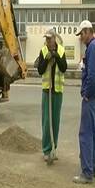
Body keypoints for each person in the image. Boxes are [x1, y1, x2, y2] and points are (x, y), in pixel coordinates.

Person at [73, 20, 95, 184]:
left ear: (87, 31)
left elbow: (92, 74)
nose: (80, 38)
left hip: (91, 97)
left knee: (85, 133)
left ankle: (87, 173)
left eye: (81, 34)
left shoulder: (92, 48)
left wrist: (86, 93)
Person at [37, 29, 67, 162]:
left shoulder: (61, 51)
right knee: (46, 122)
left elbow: (64, 67)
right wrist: (47, 59)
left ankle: (54, 148)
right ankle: (46, 150)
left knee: (55, 121)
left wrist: (56, 56)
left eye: (50, 38)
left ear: (55, 38)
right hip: (46, 91)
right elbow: (40, 70)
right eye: (47, 39)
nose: (48, 41)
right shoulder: (43, 51)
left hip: (57, 91)